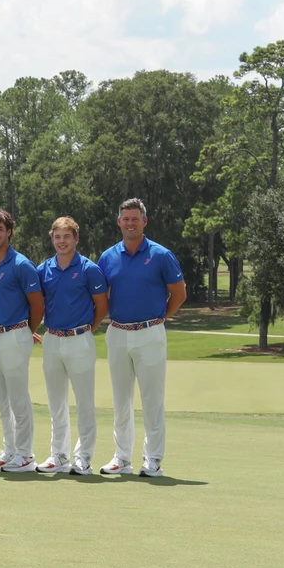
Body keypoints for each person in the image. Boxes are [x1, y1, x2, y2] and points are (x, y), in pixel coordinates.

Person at [97, 198, 186, 478]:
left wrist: (159, 319)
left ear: (144, 221)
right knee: (121, 400)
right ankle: (122, 458)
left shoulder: (161, 255)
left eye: (135, 218)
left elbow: (179, 293)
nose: (130, 223)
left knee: (152, 400)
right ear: (119, 222)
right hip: (118, 333)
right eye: (126, 219)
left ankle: (153, 459)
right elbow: (102, 297)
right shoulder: (107, 256)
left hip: (150, 332)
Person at [36, 216, 108, 476]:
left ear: (76, 238)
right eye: (57, 237)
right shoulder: (43, 269)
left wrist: (87, 329)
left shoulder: (89, 269)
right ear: (52, 238)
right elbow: (38, 302)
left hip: (80, 339)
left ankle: (83, 457)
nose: (62, 241)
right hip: (52, 340)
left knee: (84, 402)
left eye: (67, 236)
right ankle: (59, 455)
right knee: (56, 402)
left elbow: (102, 306)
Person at [0, 209, 44, 474]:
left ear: (9, 231)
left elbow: (37, 304)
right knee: (1, 400)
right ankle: (9, 450)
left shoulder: (21, 265)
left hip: (16, 334)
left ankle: (25, 454)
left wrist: (26, 330)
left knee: (18, 399)